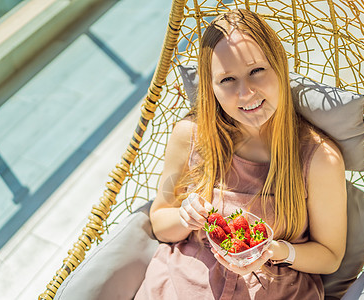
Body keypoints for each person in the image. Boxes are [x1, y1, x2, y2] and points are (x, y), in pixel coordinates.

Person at [134, 9, 347, 300]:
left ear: (279, 67)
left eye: (257, 70)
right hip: (181, 286)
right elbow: (160, 222)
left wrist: (275, 250)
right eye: (227, 80)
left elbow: (330, 255)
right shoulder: (190, 136)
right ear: (212, 89)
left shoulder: (320, 158)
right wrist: (184, 218)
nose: (246, 93)